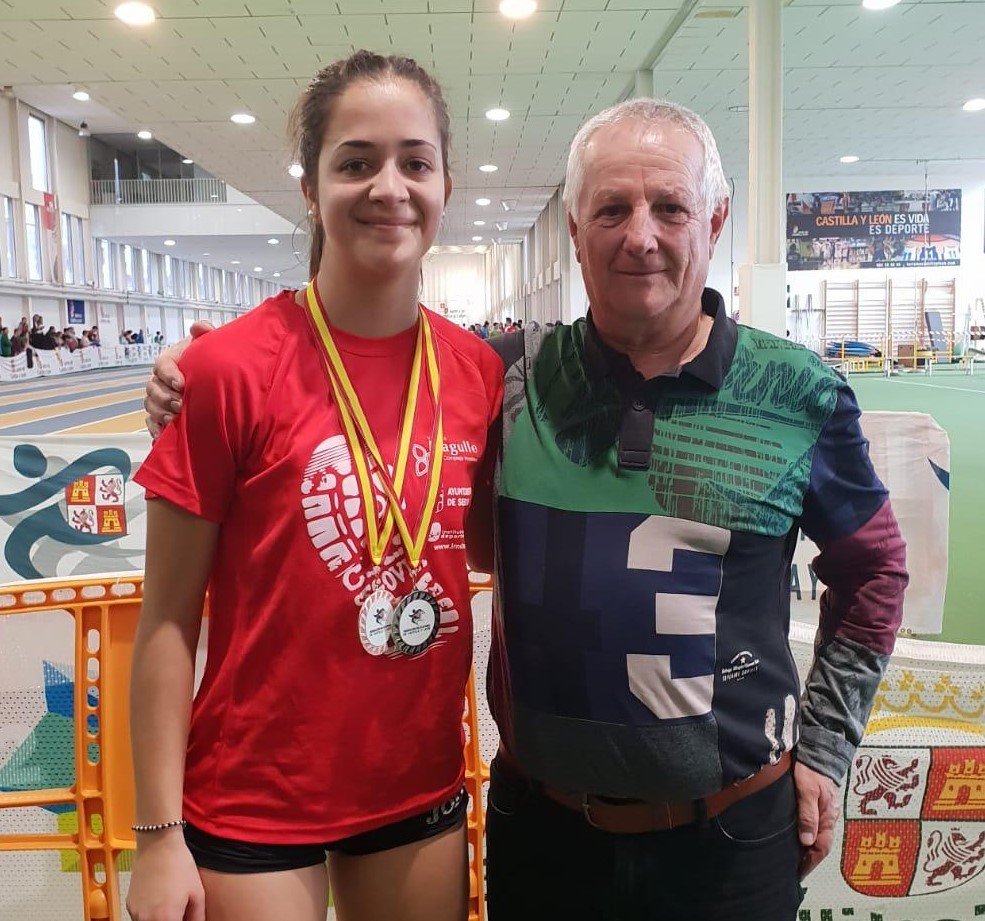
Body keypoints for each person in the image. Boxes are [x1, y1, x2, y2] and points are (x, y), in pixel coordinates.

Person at [145, 97, 907, 921]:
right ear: (574, 230)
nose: (640, 236)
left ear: (714, 220)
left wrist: (824, 747)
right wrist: (194, 370)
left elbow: (873, 571)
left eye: (670, 208)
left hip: (731, 839)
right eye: (610, 210)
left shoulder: (795, 392)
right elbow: (368, 371)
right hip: (543, 834)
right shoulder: (506, 377)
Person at [128, 49, 503, 921]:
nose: (388, 187)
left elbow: (483, 550)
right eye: (356, 162)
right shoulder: (222, 372)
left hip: (414, 782)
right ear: (310, 188)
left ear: (445, 186)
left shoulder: (478, 371)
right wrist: (157, 835)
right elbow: (167, 620)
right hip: (254, 792)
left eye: (415, 162)